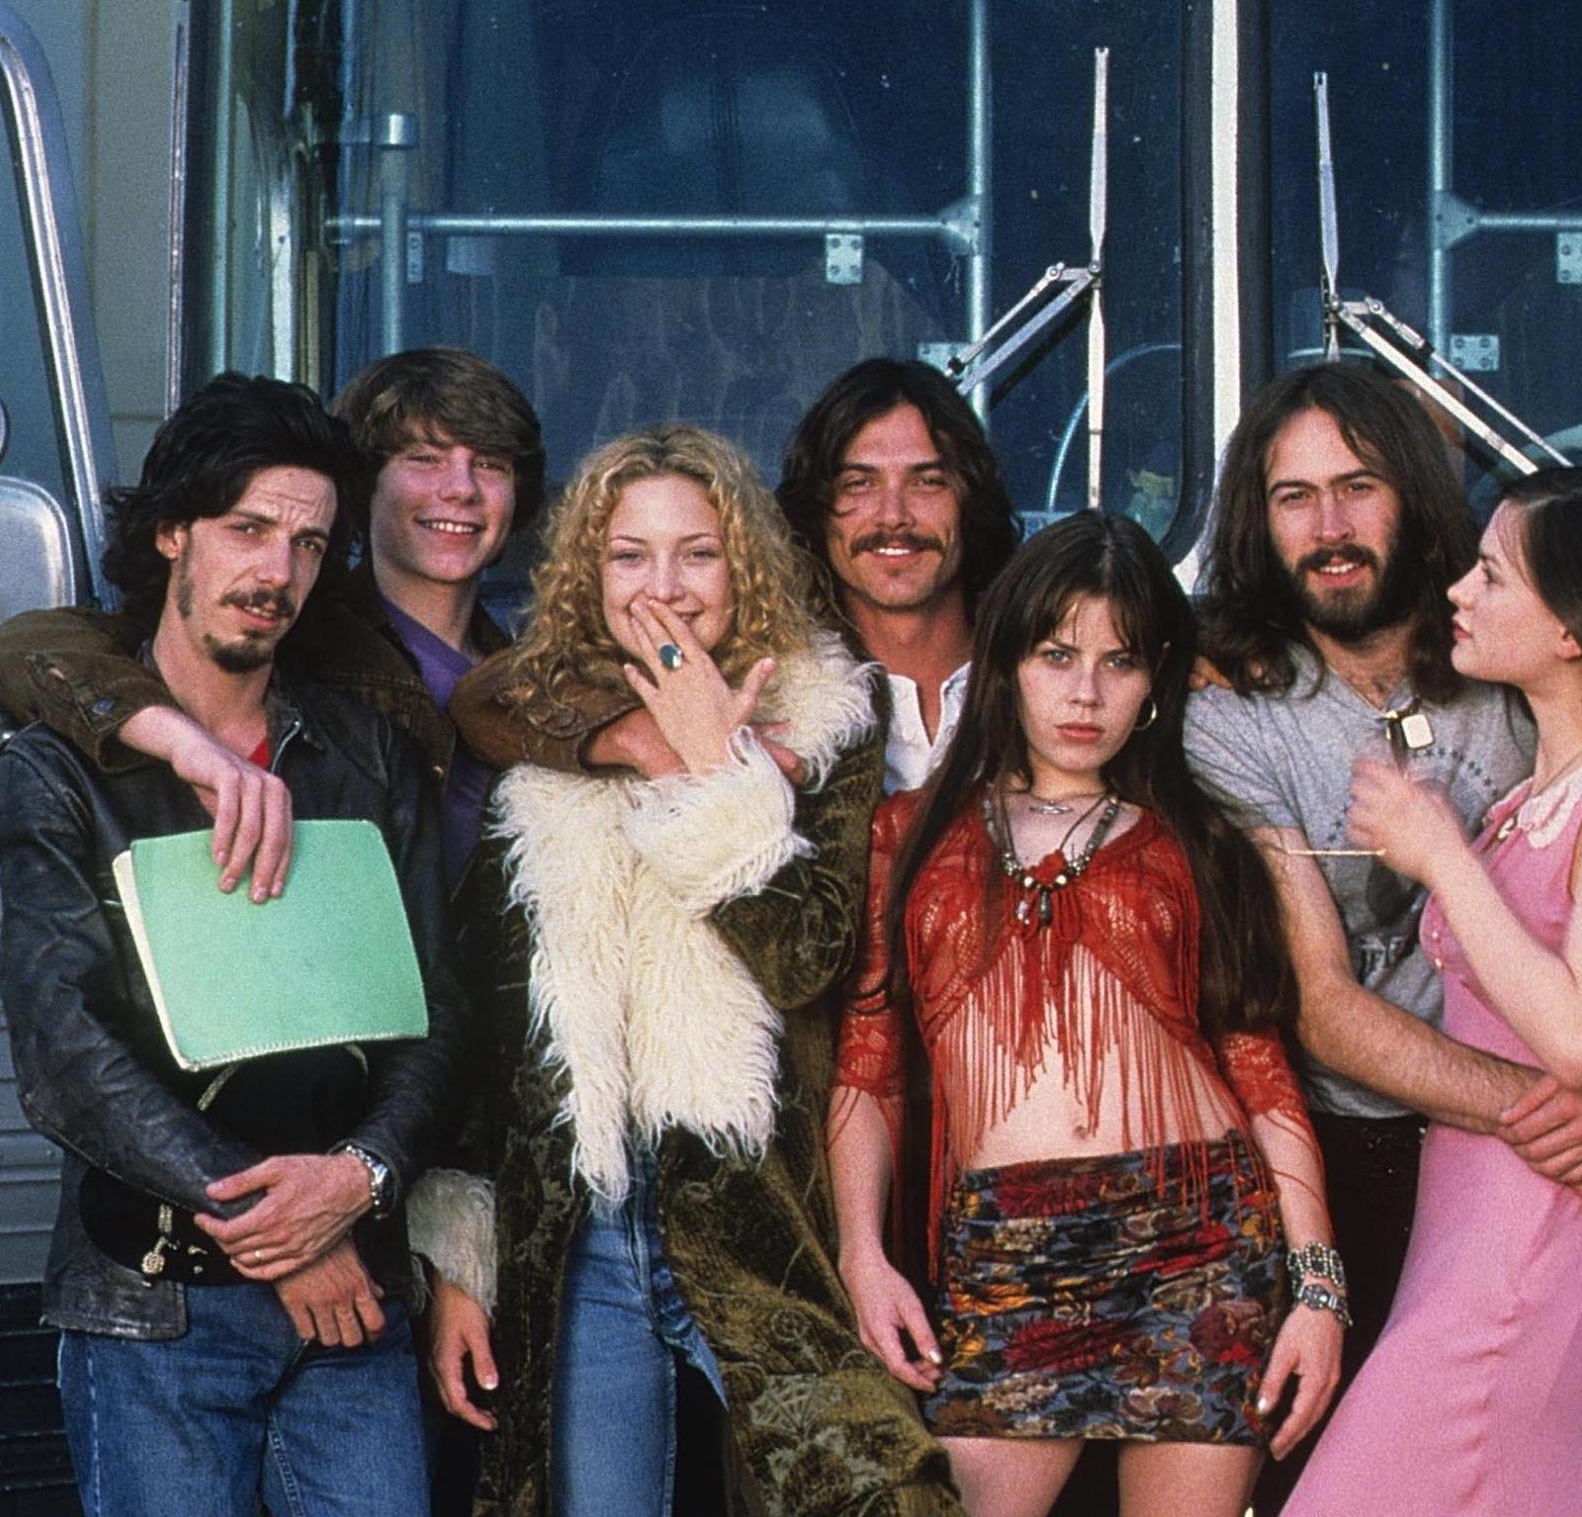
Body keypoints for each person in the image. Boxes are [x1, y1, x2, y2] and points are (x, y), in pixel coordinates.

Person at [1183, 365, 1582, 1505]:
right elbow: (1322, 1006)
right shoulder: (1233, 712)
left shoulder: (1510, 687)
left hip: (1521, 1217)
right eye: (1290, 496)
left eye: (1356, 486)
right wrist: (1579, 1124)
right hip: (1375, 1159)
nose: (1327, 526)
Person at [410, 425, 960, 1517]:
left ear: (741, 561)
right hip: (586, 1228)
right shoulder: (546, 713)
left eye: (695, 552)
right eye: (628, 555)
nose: (663, 584)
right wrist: (461, 1256)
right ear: (588, 570)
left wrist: (721, 773)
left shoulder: (824, 714)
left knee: (883, 1497)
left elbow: (808, 957)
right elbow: (492, 1026)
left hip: (759, 1211)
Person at [0, 374, 464, 1517]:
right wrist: (283, 1232)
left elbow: (437, 1016)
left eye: (308, 544)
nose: (276, 573)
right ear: (171, 534)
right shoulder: (57, 773)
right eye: (247, 529)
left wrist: (356, 1180)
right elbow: (70, 1061)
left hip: (358, 1290)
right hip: (158, 1306)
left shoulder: (362, 755)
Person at [829, 512, 1342, 1517]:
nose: (1084, 692)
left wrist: (1317, 1291)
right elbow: (869, 1058)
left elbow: (1261, 1070)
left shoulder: (1198, 842)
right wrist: (862, 1254)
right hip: (1007, 1244)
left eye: (1119, 662)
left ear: (1156, 683)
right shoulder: (908, 830)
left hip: (1197, 1237)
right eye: (1055, 654)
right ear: (1007, 659)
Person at [0, 346, 545, 892]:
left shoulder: (528, 668)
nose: (461, 488)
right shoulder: (289, 629)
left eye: (491, 464)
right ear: (366, 486)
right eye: (425, 458)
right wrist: (179, 738)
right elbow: (32, 648)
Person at [454, 356, 1020, 795]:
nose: (894, 516)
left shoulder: (1036, 660)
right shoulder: (773, 665)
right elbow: (490, 695)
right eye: (858, 485)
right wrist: (642, 738)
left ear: (969, 497)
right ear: (819, 506)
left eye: (928, 482)